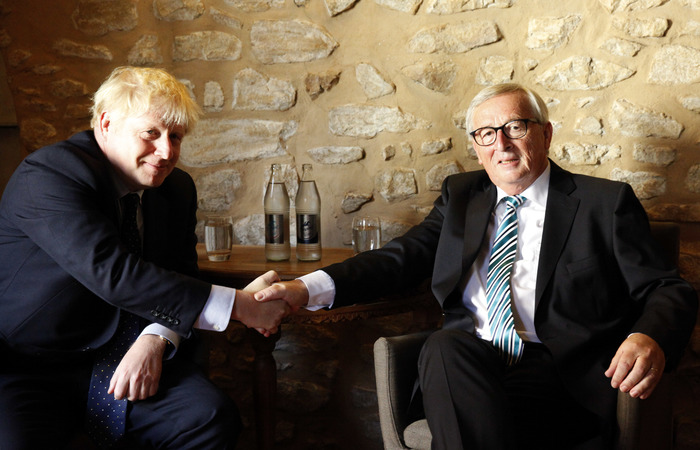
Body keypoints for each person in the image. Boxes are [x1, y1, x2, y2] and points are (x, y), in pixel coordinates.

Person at [255, 83, 698, 449]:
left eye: (514, 127)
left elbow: (668, 289)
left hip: (557, 376)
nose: (501, 144)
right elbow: (398, 259)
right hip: (467, 368)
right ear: (475, 146)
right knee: (444, 347)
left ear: (545, 134)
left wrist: (649, 335)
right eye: (486, 133)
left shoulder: (604, 203)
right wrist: (301, 289)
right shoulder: (461, 196)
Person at [0, 66, 289, 449]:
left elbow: (179, 275)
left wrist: (155, 336)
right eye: (150, 134)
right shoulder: (49, 175)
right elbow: (115, 275)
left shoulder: (177, 189)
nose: (167, 151)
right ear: (106, 123)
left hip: (124, 356)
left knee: (210, 419)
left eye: (176, 136)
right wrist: (241, 305)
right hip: (29, 365)